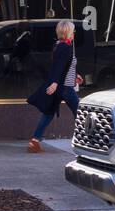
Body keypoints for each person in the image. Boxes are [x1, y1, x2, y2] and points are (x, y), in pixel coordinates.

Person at [26, 20, 79, 153]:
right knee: (80, 113)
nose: (74, 34)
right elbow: (58, 67)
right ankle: (88, 141)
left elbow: (64, 67)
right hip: (64, 87)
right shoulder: (65, 48)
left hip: (61, 85)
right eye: (73, 31)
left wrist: (76, 76)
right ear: (67, 32)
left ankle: (35, 141)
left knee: (48, 113)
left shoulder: (59, 46)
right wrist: (55, 82)